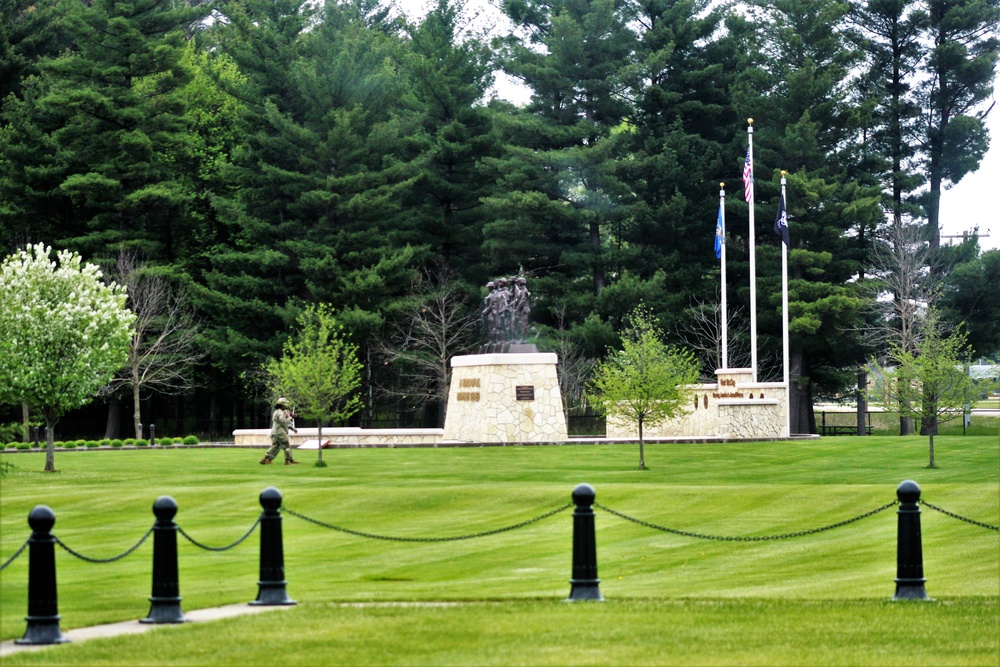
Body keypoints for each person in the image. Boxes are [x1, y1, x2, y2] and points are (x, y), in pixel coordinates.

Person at [260, 397, 300, 465]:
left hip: (276, 432)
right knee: (286, 445)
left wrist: (292, 428)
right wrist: (291, 417)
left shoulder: (282, 412)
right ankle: (288, 461)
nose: (286, 406)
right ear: (282, 404)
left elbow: (286, 422)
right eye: (286, 404)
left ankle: (266, 459)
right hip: (279, 432)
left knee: (275, 446)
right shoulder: (279, 413)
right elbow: (283, 422)